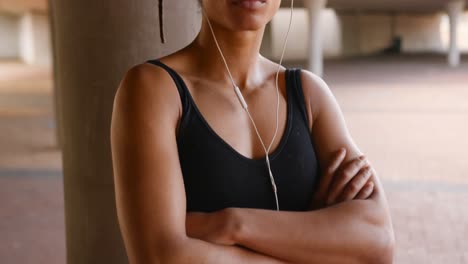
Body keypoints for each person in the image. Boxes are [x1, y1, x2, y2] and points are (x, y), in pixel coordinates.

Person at [110, 0, 395, 263]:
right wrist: (320, 251)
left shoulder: (309, 94)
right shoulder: (153, 90)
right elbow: (162, 257)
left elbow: (378, 240)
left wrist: (233, 224)